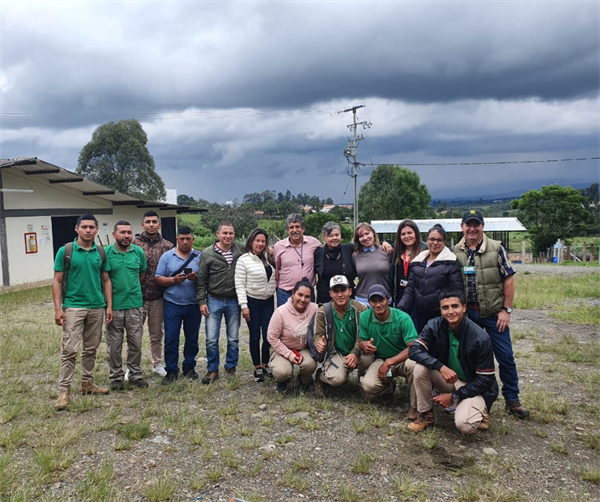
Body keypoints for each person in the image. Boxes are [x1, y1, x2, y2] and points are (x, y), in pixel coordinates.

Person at [454, 210, 529, 418]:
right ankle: (476, 398)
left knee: (505, 357)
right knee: (471, 358)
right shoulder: (455, 252)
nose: (472, 229)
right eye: (468, 225)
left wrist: (506, 310)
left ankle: (512, 398)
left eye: (476, 225)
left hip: (494, 315)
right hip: (469, 316)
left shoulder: (496, 248)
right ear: (462, 227)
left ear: (482, 227)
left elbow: (509, 279)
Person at [407, 290, 499, 433]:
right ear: (440, 310)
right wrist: (440, 367)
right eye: (445, 307)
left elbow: (486, 380)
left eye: (455, 306)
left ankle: (481, 411)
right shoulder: (434, 325)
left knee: (465, 426)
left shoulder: (480, 337)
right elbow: (414, 350)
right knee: (419, 368)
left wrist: (455, 397)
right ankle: (426, 415)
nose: (450, 311)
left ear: (464, 308)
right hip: (450, 378)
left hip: (473, 385)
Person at [52, 214, 113, 410]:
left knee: (91, 348)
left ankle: (87, 383)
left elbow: (106, 280)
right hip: (73, 306)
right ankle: (64, 391)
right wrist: (57, 308)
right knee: (69, 350)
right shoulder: (66, 251)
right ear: (77, 229)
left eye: (91, 227)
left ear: (96, 230)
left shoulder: (101, 252)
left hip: (97, 307)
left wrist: (108, 306)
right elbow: (57, 281)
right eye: (84, 227)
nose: (88, 230)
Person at [358, 285, 418, 417]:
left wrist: (389, 362)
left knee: (415, 366)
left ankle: (415, 406)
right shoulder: (364, 317)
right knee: (368, 386)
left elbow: (413, 347)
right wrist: (365, 345)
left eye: (381, 300)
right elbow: (362, 341)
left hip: (403, 359)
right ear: (369, 302)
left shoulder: (403, 318)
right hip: (381, 360)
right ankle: (388, 388)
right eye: (374, 301)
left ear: (388, 299)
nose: (378, 304)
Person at [197, 222, 245, 384]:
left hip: (233, 300)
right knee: (211, 338)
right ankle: (212, 369)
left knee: (233, 338)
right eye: (224, 233)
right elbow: (202, 280)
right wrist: (202, 301)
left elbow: (258, 249)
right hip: (214, 299)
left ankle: (231, 366)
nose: (228, 236)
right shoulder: (207, 253)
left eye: (231, 233)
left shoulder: (240, 250)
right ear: (217, 234)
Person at [104, 221, 149, 390]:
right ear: (114, 235)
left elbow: (142, 274)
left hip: (135, 305)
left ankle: (135, 374)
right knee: (114, 344)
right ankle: (116, 376)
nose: (126, 236)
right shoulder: (106, 253)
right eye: (122, 232)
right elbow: (104, 278)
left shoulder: (138, 252)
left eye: (129, 232)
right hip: (114, 306)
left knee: (135, 342)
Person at [155, 226, 201, 384]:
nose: (185, 242)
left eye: (188, 238)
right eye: (182, 239)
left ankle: (189, 366)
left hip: (193, 304)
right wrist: (174, 280)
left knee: (192, 339)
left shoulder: (199, 257)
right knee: (171, 339)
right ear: (177, 240)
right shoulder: (167, 256)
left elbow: (205, 279)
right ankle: (171, 370)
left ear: (193, 239)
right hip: (172, 304)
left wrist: (195, 278)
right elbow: (158, 278)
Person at [398, 224, 463, 332]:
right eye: (432, 239)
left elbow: (457, 290)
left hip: (441, 315)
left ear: (444, 242)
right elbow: (409, 290)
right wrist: (400, 309)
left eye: (439, 240)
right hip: (420, 315)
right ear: (427, 240)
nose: (435, 243)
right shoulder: (417, 262)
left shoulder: (450, 261)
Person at [133, 210, 174, 378]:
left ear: (160, 225)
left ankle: (157, 364)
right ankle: (132, 367)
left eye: (154, 222)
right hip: (137, 297)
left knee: (156, 334)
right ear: (142, 224)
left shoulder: (168, 246)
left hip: (158, 297)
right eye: (147, 222)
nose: (151, 224)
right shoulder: (134, 244)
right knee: (134, 334)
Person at [311, 275, 370, 394]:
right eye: (335, 291)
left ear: (350, 291)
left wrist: (355, 352)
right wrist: (319, 343)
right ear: (330, 293)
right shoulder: (323, 311)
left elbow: (364, 336)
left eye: (343, 290)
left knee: (368, 359)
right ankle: (321, 377)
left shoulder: (361, 309)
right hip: (336, 352)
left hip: (358, 351)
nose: (339, 294)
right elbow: (318, 335)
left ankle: (362, 382)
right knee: (337, 379)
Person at [234, 228, 277, 382]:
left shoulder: (269, 257)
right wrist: (243, 305)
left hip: (268, 301)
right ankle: (257, 367)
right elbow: (239, 284)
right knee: (254, 336)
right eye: (257, 241)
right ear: (251, 242)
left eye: (263, 241)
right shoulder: (243, 260)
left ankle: (265, 364)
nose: (260, 244)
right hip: (252, 301)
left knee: (268, 335)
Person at [267, 279, 319, 394]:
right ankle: (282, 381)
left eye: (307, 297)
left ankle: (303, 380)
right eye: (300, 295)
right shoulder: (281, 312)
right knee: (282, 371)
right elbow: (271, 337)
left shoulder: (315, 309)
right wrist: (289, 355)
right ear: (293, 293)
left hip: (303, 348)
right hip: (282, 349)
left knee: (310, 364)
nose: (303, 299)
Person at [273, 214, 321, 307]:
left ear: (303, 229)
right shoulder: (279, 246)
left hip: (307, 293)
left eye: (297, 227)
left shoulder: (313, 243)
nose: (294, 230)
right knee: (285, 321)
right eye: (291, 227)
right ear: (287, 230)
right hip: (285, 293)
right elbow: (276, 267)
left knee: (308, 320)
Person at [313, 222, 357, 305]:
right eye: (330, 236)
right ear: (324, 238)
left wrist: (386, 244)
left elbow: (367, 245)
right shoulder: (318, 253)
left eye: (337, 235)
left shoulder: (350, 249)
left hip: (347, 298)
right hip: (325, 299)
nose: (334, 238)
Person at [353, 222, 392, 306]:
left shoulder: (386, 251)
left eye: (367, 233)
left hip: (384, 299)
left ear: (373, 233)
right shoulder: (355, 255)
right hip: (362, 300)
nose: (365, 238)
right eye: (361, 236)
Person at [390, 219, 425, 307]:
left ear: (416, 233)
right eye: (403, 234)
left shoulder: (425, 251)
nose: (407, 236)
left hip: (419, 301)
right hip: (400, 299)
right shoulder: (395, 251)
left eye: (410, 233)